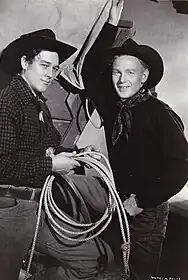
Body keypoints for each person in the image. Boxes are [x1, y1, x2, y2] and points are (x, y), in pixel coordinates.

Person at [0, 1, 124, 280]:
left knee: (94, 260)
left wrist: (78, 154)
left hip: (35, 209)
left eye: (54, 68)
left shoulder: (37, 105)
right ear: (24, 63)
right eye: (43, 65)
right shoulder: (5, 104)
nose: (50, 74)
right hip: (3, 212)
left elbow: (48, 148)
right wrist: (52, 164)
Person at [78, 36, 188, 279]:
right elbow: (89, 69)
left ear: (144, 77)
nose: (122, 80)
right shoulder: (113, 106)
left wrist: (141, 201)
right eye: (117, 72)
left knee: (138, 273)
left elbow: (181, 169)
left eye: (130, 72)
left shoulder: (161, 115)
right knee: (109, 266)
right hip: (117, 202)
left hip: (147, 212)